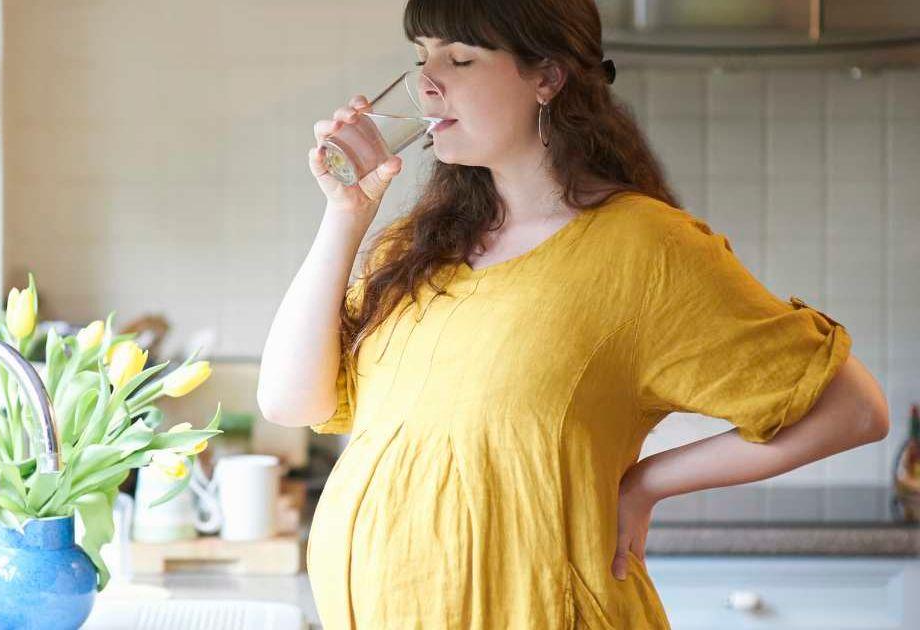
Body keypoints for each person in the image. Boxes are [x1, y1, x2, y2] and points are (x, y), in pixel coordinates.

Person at [256, 0, 890, 627]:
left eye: (460, 58)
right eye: (421, 57)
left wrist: (645, 484)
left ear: (546, 77)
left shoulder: (645, 249)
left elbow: (854, 409)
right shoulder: (414, 252)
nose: (425, 83)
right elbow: (292, 403)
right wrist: (346, 213)